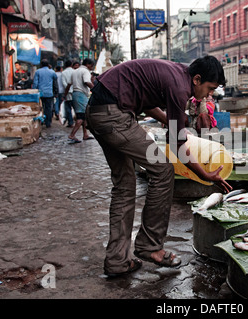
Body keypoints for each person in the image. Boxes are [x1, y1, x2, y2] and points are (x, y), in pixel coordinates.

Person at [85, 56, 232, 277]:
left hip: (100, 112)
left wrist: (172, 117)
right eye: (209, 89)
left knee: (125, 186)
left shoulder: (181, 72)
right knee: (163, 170)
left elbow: (147, 101)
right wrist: (206, 174)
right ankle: (149, 246)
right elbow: (178, 144)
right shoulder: (179, 85)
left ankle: (117, 261)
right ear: (197, 79)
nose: (208, 95)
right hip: (114, 117)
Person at [64, 58, 95, 143]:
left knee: (84, 115)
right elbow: (86, 82)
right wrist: (96, 89)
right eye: (92, 65)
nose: (92, 67)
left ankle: (85, 134)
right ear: (88, 64)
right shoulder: (85, 71)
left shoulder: (75, 71)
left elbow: (68, 85)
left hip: (75, 94)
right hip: (81, 94)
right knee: (81, 116)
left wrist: (65, 95)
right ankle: (72, 135)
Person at [32, 59, 57, 128]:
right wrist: (56, 92)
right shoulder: (52, 72)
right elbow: (55, 83)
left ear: (41, 65)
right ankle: (48, 123)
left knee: (40, 107)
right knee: (49, 109)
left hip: (40, 93)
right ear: (48, 64)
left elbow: (35, 83)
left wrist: (34, 92)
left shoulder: (38, 72)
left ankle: (41, 122)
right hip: (49, 93)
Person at [61, 60, 75, 127]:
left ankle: (71, 122)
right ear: (71, 64)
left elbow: (64, 83)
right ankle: (79, 121)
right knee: (76, 108)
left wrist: (67, 90)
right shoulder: (75, 71)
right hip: (75, 92)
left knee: (68, 108)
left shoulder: (63, 72)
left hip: (68, 92)